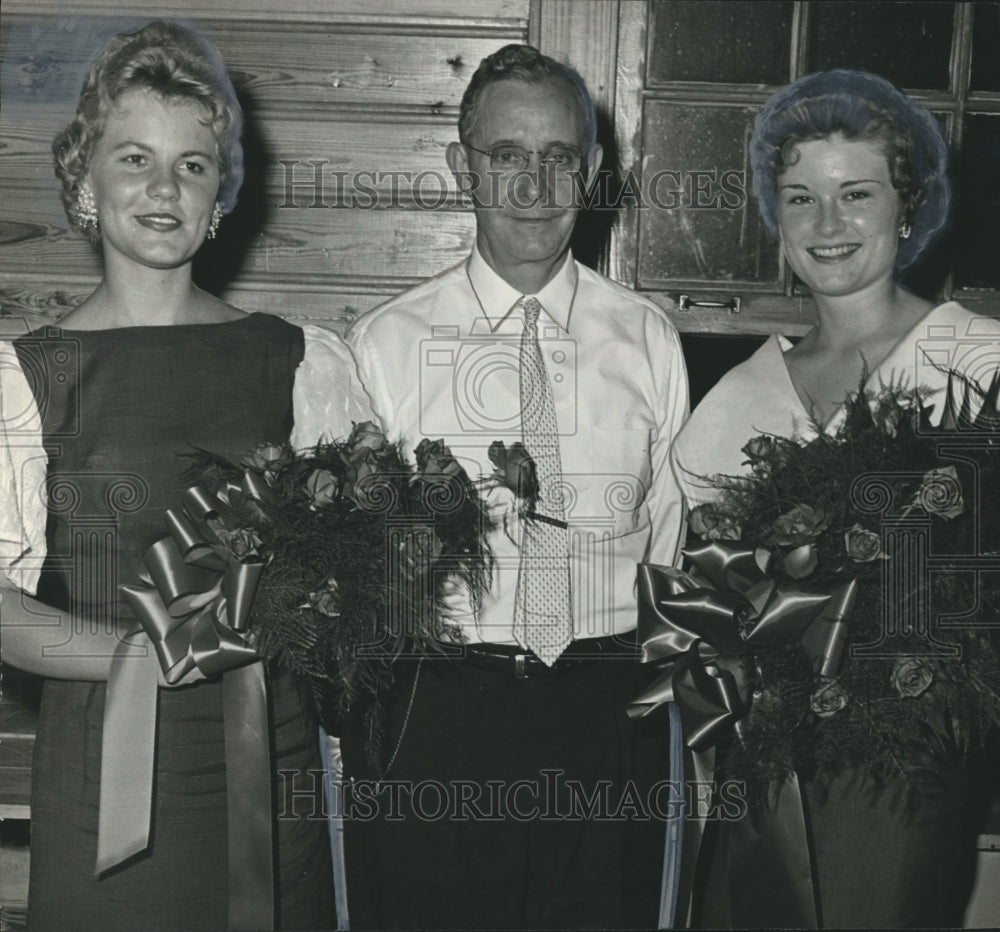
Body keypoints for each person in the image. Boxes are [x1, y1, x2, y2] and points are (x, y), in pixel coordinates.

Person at [0, 20, 371, 931]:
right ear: (86, 179)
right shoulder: (23, 377)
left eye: (193, 165)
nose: (164, 188)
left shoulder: (297, 361)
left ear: (221, 193)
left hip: (269, 759)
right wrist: (149, 658)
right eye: (134, 158)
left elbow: (359, 575)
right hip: (105, 769)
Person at [343, 43, 689, 931]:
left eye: (559, 158)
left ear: (594, 171)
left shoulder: (648, 340)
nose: (533, 186)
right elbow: (353, 567)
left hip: (608, 712)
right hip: (439, 712)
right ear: (464, 167)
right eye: (506, 156)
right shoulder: (382, 347)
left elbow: (671, 550)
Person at [671, 69, 1000, 928]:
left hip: (908, 768)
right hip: (761, 764)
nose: (827, 225)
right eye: (800, 198)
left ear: (909, 205)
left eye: (856, 193)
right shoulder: (738, 398)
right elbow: (692, 603)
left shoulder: (979, 362)